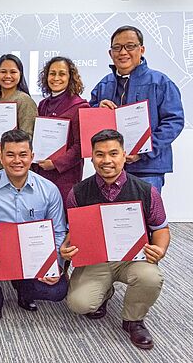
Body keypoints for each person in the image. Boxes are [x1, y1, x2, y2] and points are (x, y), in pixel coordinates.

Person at [62, 129, 169, 350]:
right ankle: (105, 292)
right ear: (92, 157)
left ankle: (133, 320)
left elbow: (161, 228)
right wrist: (66, 246)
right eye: (100, 154)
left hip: (134, 259)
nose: (106, 160)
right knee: (79, 303)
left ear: (124, 155)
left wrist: (159, 249)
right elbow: (74, 231)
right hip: (97, 259)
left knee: (151, 277)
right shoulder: (78, 192)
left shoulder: (146, 191)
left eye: (113, 153)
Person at [0, 129, 67, 323]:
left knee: (57, 290)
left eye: (23, 155)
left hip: (33, 250)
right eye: (10, 155)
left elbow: (59, 231)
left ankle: (24, 291)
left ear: (32, 156)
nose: (17, 160)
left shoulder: (49, 190)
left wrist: (56, 263)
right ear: (1, 157)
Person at [90, 25, 184, 193]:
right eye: (117, 47)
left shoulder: (160, 82)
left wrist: (144, 151)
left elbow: (174, 122)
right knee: (113, 218)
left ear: (142, 49)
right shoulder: (104, 85)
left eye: (130, 46)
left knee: (146, 216)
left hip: (148, 168)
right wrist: (97, 109)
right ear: (110, 53)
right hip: (109, 169)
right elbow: (87, 119)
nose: (123, 52)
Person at [33, 56, 89, 204]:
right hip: (41, 172)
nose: (56, 78)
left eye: (62, 74)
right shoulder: (42, 105)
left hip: (66, 177)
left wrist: (56, 163)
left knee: (62, 220)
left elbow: (80, 146)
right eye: (52, 73)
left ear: (70, 77)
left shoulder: (80, 106)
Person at [0, 54, 37, 176]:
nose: (7, 76)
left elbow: (27, 136)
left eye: (13, 72)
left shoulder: (25, 100)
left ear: (20, 74)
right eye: (3, 71)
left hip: (15, 166)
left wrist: (6, 152)